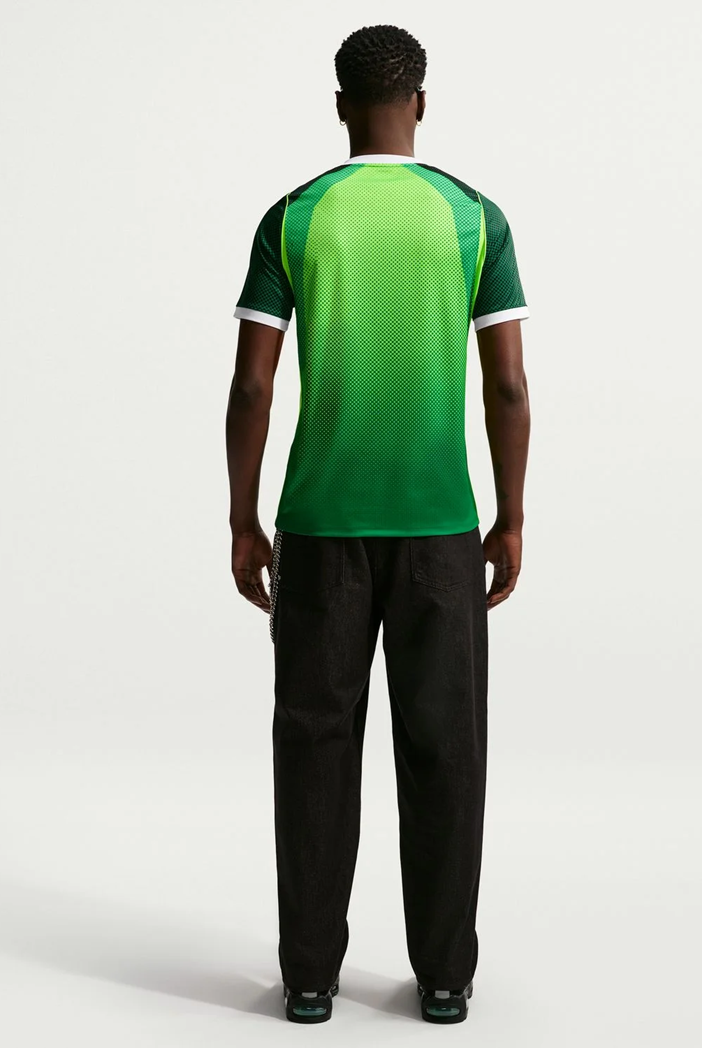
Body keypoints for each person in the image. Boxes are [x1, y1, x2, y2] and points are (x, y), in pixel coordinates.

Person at [225, 23, 530, 1025]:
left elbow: (253, 386)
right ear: (421, 103)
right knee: (445, 751)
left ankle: (310, 978)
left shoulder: (293, 219)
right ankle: (444, 978)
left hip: (320, 529)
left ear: (340, 106)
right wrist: (510, 516)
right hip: (441, 526)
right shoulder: (474, 219)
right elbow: (508, 386)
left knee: (314, 747)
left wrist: (243, 517)